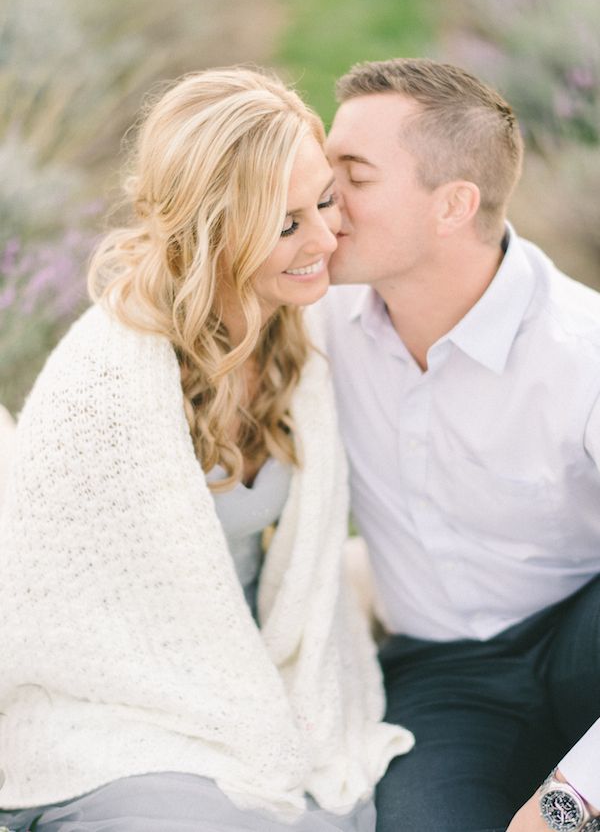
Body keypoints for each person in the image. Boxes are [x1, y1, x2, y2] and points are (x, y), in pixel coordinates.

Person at [0, 67, 413, 832]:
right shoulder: (107, 382)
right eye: (287, 225)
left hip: (252, 664)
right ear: (214, 233)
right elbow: (53, 614)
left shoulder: (302, 332)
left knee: (339, 806)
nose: (326, 239)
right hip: (126, 702)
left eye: (324, 201)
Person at [321, 57, 600, 832]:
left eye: (355, 175)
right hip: (444, 675)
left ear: (453, 206)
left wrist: (567, 805)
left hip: (586, 633)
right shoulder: (313, 328)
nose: (322, 197)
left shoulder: (584, 353)